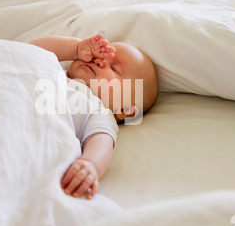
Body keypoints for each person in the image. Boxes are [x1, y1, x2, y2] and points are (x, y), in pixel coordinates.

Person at [30, 34, 159, 200]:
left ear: (125, 109)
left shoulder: (98, 111)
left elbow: (102, 141)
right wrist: (75, 49)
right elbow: (30, 52)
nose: (99, 61)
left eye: (115, 69)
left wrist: (90, 164)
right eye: (99, 55)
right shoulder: (56, 68)